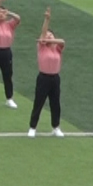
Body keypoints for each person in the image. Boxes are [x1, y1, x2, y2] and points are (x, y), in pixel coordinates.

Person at [29, 8, 66, 138]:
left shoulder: (57, 48)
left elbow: (62, 41)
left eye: (51, 35)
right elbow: (43, 33)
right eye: (47, 35)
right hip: (43, 78)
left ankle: (56, 127)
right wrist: (47, 19)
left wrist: (51, 41)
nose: (49, 36)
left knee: (55, 103)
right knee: (39, 102)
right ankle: (33, 127)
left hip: (55, 78)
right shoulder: (42, 47)